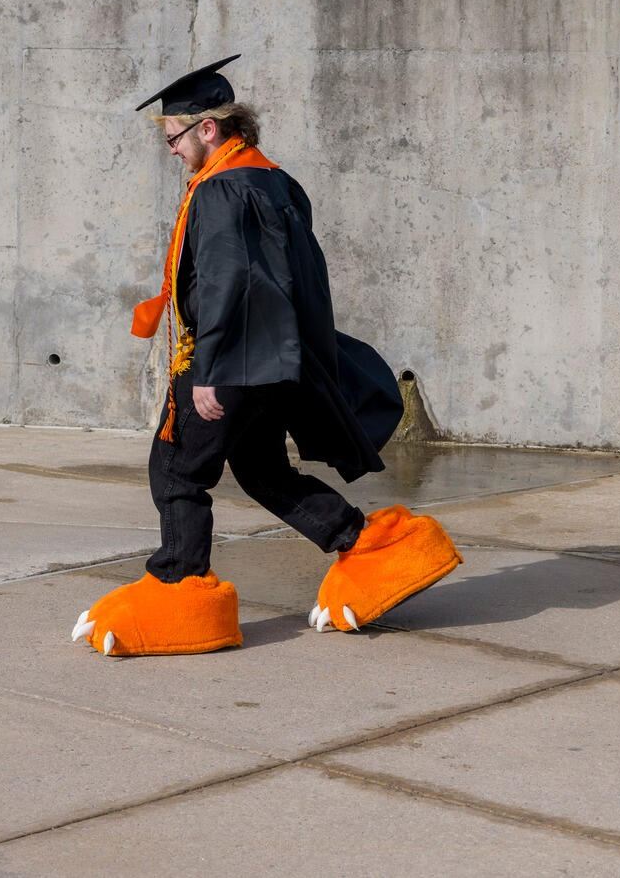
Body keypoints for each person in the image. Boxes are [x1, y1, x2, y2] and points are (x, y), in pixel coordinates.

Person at [71, 55, 461, 657]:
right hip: (270, 360)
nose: (170, 150)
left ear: (209, 129)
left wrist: (210, 372)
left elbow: (231, 283)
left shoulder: (224, 190)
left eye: (174, 136)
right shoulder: (270, 179)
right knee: (261, 469)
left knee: (177, 469)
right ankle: (371, 546)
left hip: (233, 361)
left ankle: (180, 591)